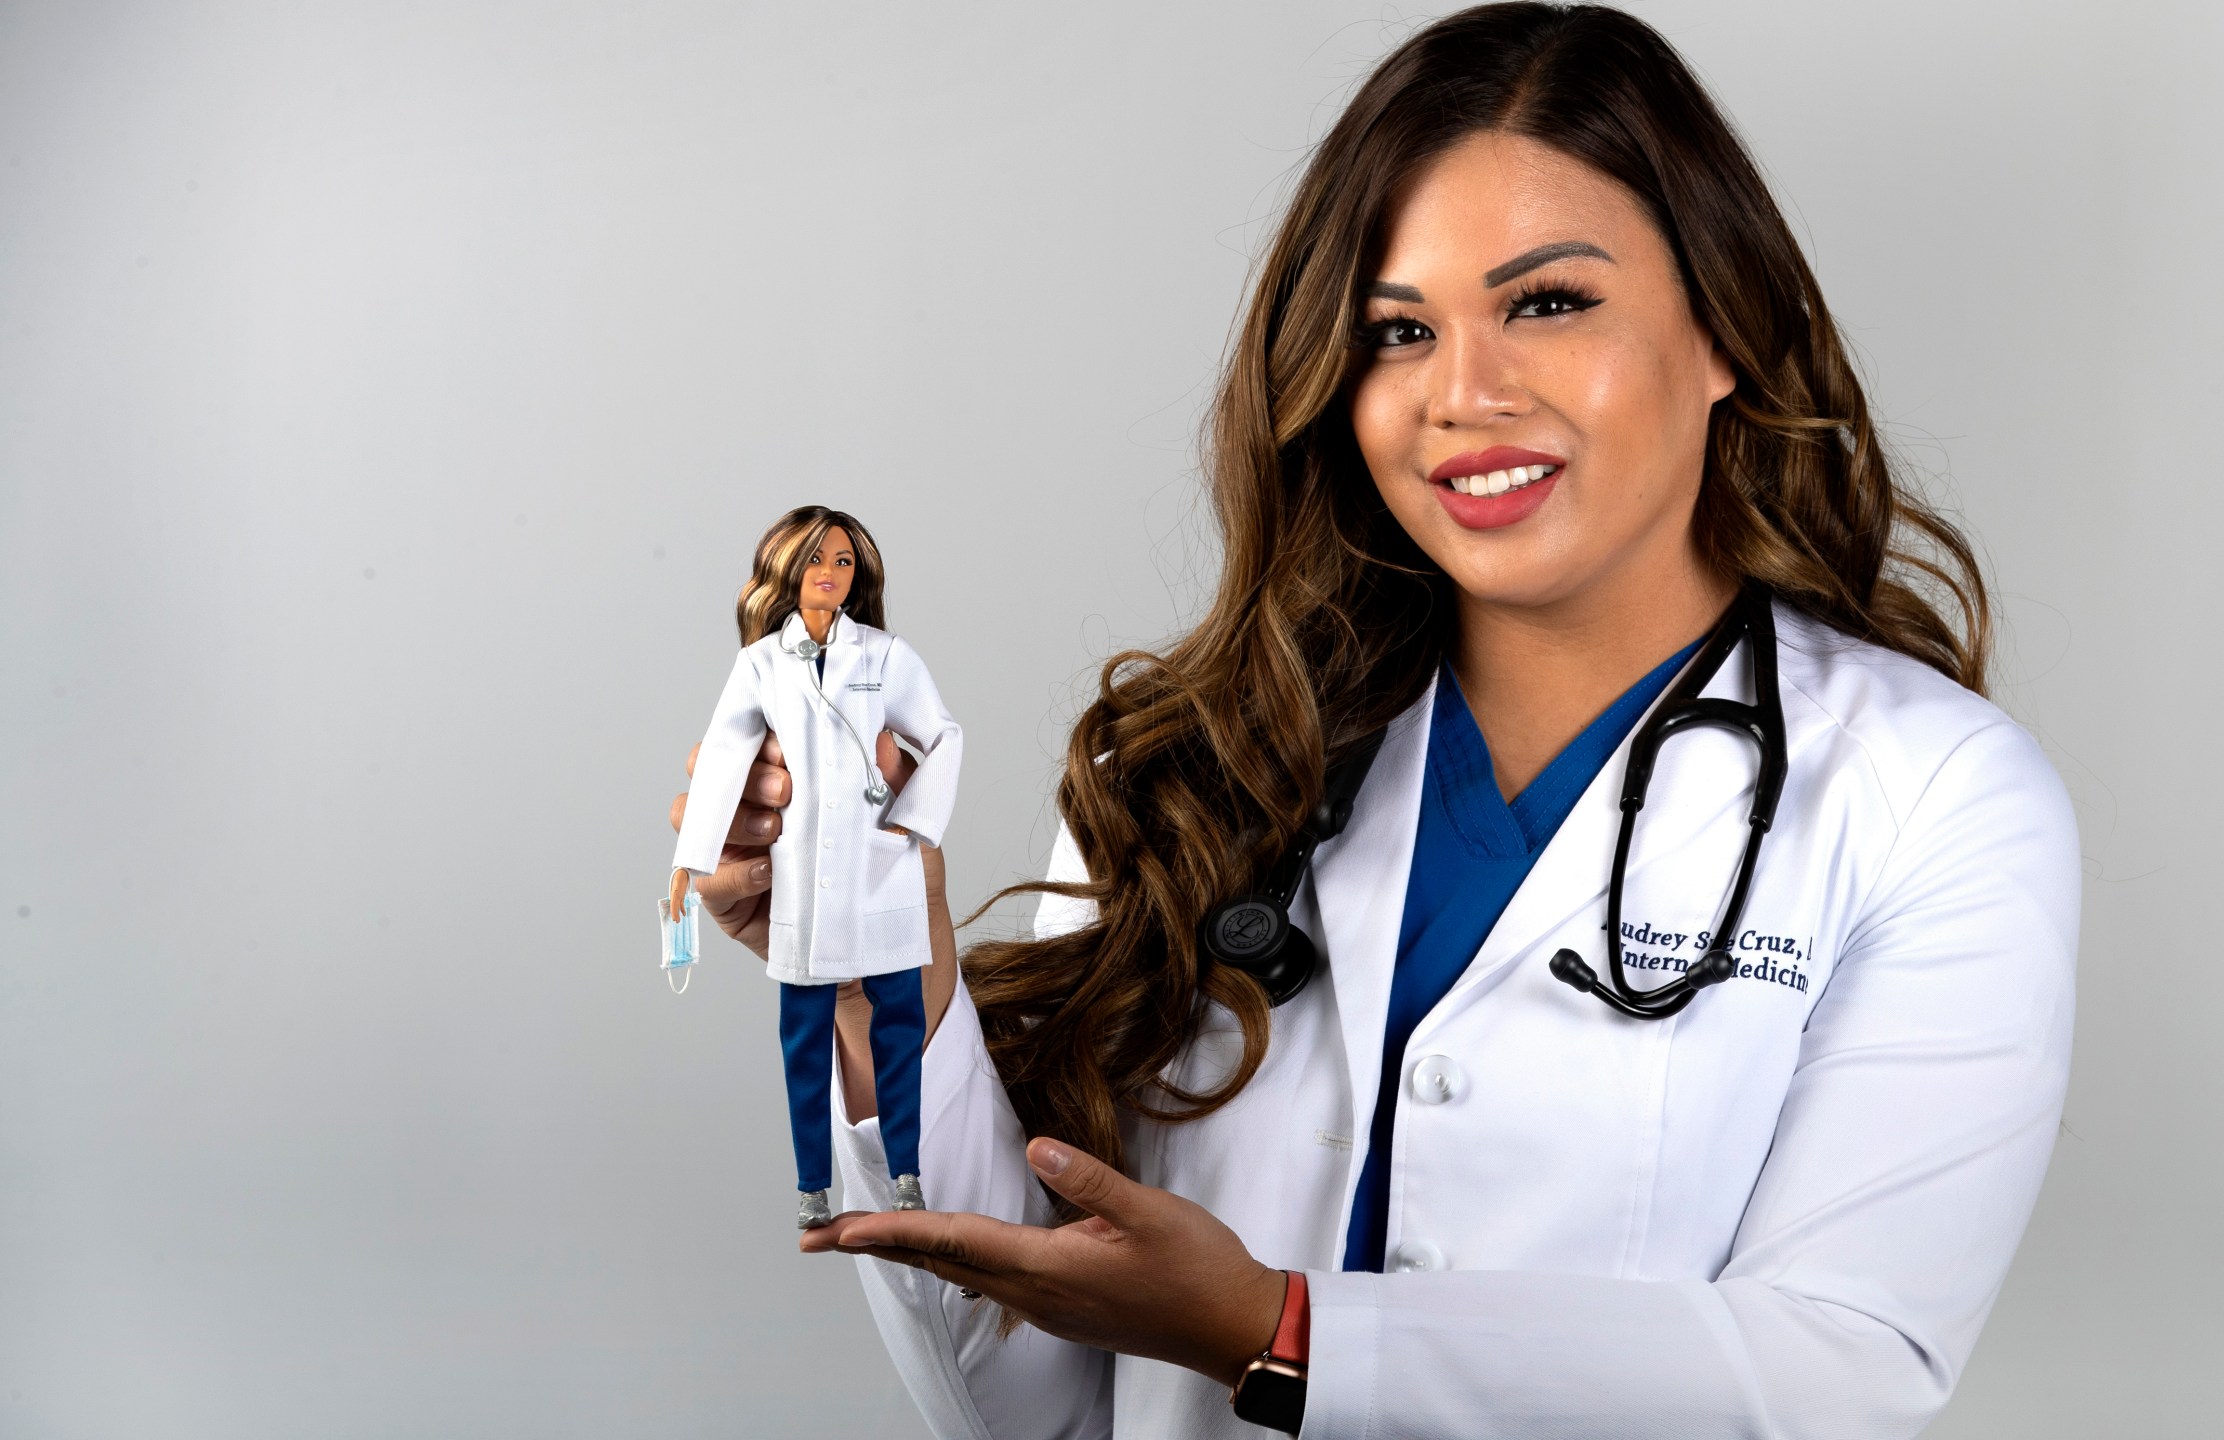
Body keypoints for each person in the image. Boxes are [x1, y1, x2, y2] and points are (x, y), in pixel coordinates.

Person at [677, 5, 2076, 1434]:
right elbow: (1033, 1406)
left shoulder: (1932, 798)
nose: (1462, 397)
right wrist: (877, 972)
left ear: (1729, 327)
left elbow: (1834, 1371)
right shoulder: (1209, 759)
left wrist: (1278, 1334)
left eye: (1547, 303)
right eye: (1399, 332)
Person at [668, 505, 962, 1226]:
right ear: (784, 572)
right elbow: (725, 760)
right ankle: (811, 1188)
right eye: (816, 560)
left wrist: (912, 824)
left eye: (844, 563)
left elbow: (946, 735)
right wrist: (690, 861)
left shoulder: (884, 656)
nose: (830, 575)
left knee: (898, 1034)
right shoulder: (761, 665)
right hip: (800, 884)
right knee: (802, 1047)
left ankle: (906, 1173)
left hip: (883, 874)